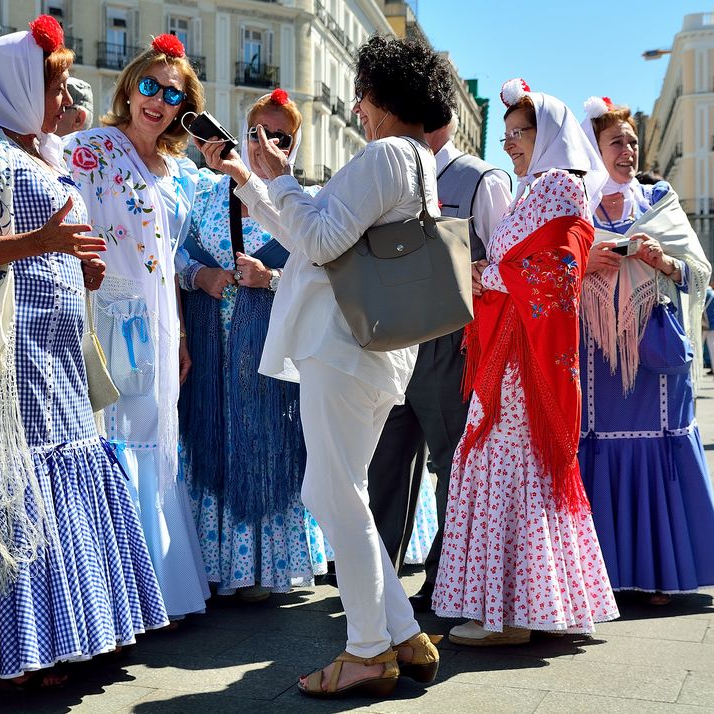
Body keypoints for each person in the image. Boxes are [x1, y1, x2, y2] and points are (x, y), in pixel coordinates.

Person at [0, 16, 167, 688]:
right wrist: (39, 246)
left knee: (68, 472)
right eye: (53, 86)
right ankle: (14, 652)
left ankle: (68, 635)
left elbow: (54, 240)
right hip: (7, 351)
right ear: (19, 84)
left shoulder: (43, 152)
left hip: (59, 344)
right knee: (18, 482)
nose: (63, 98)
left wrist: (82, 270)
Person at [197, 35, 452, 698]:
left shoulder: (383, 156)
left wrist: (274, 178)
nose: (356, 105)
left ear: (383, 95)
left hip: (341, 348)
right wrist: (250, 180)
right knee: (339, 492)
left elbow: (316, 238)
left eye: (362, 92)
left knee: (332, 493)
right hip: (369, 352)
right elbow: (314, 242)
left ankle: (369, 648)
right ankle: (399, 631)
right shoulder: (413, 159)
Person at [431, 82, 618, 645]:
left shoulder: (556, 186)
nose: (510, 144)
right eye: (506, 134)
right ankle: (530, 605)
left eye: (522, 133)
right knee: (519, 467)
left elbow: (549, 269)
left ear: (551, 136)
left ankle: (505, 615)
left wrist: (481, 275)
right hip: (515, 349)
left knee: (501, 463)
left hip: (519, 356)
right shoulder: (543, 187)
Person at [64, 34, 210, 620]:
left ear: (184, 108)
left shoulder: (182, 174)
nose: (157, 99)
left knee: (157, 439)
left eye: (172, 93)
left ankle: (157, 587)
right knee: (114, 435)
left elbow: (172, 259)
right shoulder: (88, 150)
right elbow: (63, 225)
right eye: (148, 85)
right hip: (105, 313)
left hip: (160, 319)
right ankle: (114, 594)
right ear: (128, 90)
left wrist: (180, 332)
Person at [576, 96, 714, 603]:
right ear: (592, 147)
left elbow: (699, 273)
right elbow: (549, 274)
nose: (628, 150)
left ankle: (660, 573)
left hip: (656, 360)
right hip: (596, 356)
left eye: (632, 141)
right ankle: (603, 575)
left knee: (659, 441)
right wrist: (585, 266)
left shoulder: (659, 200)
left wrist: (663, 261)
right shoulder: (574, 204)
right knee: (597, 442)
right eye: (616, 142)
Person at [177, 88, 328, 600]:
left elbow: (326, 276)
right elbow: (170, 255)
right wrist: (202, 276)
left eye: (280, 135)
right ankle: (217, 566)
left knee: (268, 446)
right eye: (257, 132)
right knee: (214, 442)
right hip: (212, 353)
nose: (266, 143)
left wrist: (272, 278)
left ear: (295, 144)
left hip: (273, 356)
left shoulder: (303, 202)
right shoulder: (202, 193)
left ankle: (262, 569)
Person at [366, 109, 513, 599]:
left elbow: (505, 264)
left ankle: (445, 580)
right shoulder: (386, 169)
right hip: (393, 337)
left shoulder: (480, 179)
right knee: (384, 461)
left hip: (453, 340)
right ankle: (376, 579)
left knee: (452, 461)